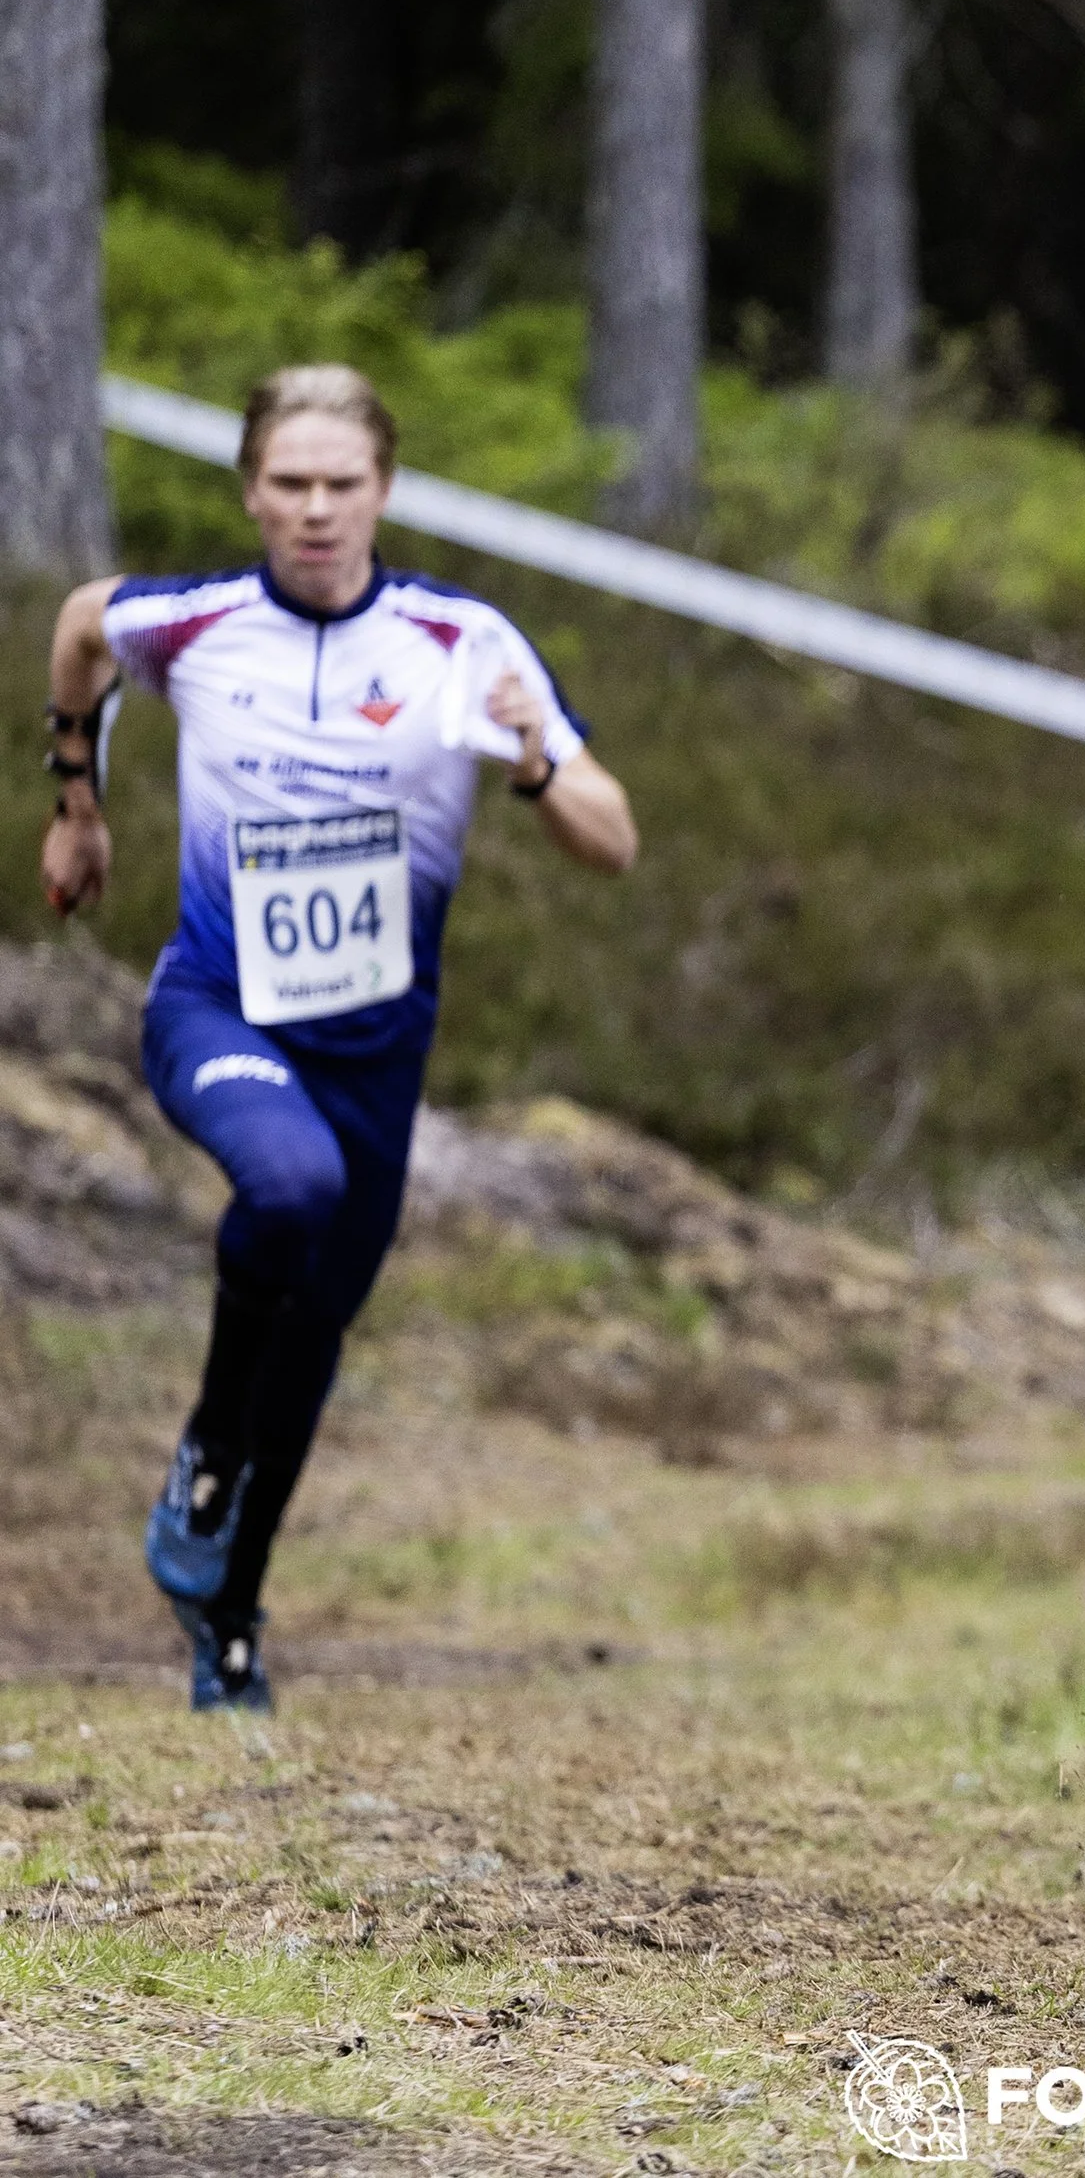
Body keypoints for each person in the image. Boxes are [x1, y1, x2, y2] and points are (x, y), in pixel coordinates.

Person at [39, 364, 639, 1710]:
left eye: (342, 485)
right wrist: (75, 798)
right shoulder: (191, 624)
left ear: (384, 491)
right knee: (287, 1186)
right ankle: (202, 1452)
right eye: (291, 485)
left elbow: (615, 838)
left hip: (378, 1057)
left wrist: (539, 761)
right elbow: (82, 630)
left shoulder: (460, 642)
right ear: (252, 490)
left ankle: (229, 1613)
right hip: (216, 1007)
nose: (315, 511)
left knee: (311, 1340)